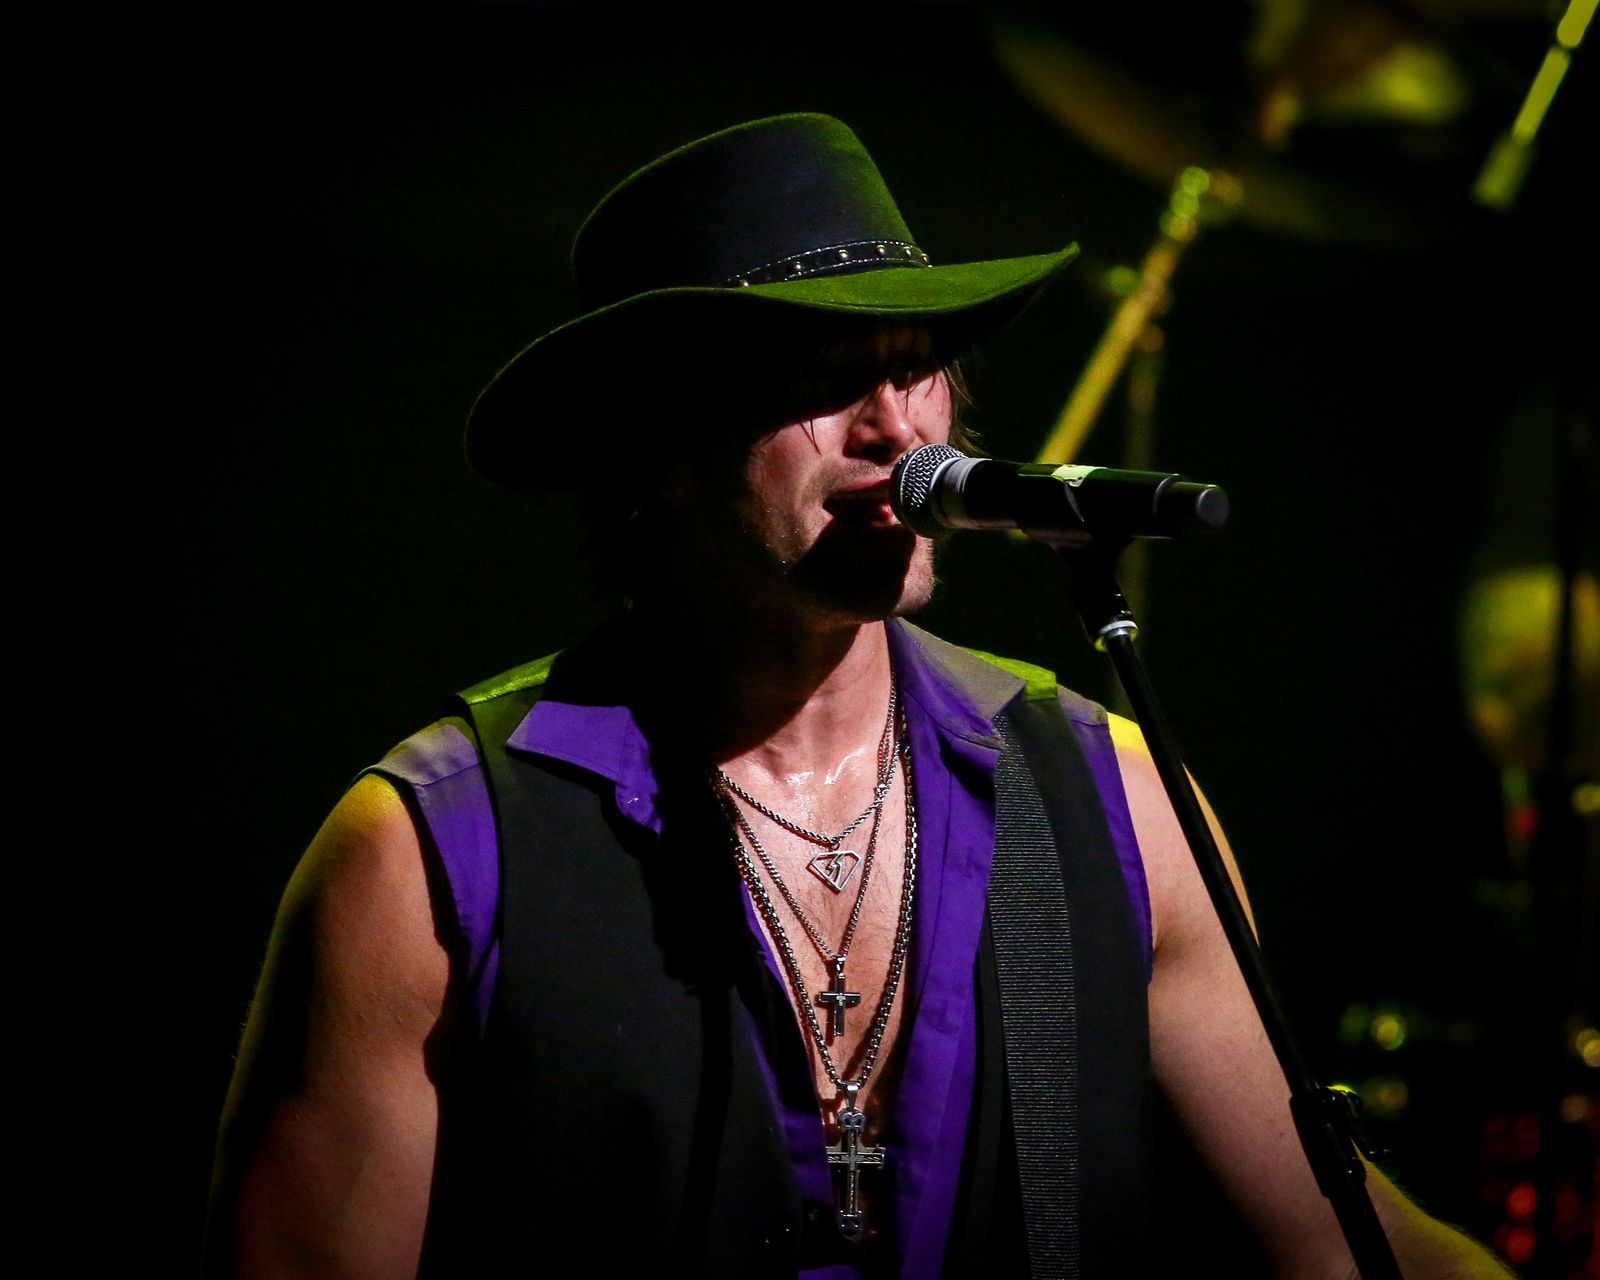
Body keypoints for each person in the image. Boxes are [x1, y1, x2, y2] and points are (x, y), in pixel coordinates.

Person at [205, 114, 1511, 1277]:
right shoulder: (429, 852)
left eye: (917, 366)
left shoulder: (1110, 798)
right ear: (662, 445)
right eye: (823, 376)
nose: (897, 429)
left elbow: (1332, 1239)